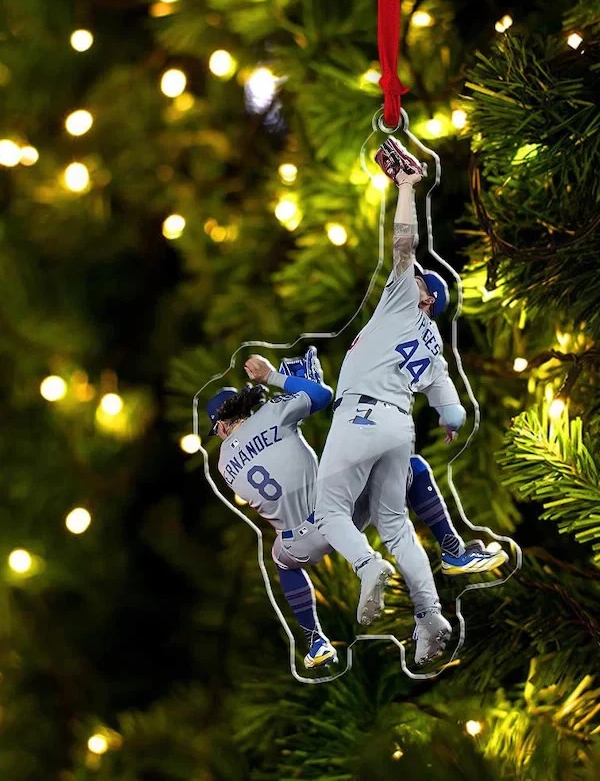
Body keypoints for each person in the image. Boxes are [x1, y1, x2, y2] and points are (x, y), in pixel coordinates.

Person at [207, 347, 507, 669]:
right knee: (413, 468)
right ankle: (452, 550)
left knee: (282, 562)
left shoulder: (224, 465)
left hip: (299, 540)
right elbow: (322, 396)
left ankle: (315, 641)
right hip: (337, 511)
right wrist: (281, 379)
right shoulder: (270, 413)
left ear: (222, 427)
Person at [311, 137, 480, 665]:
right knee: (396, 525)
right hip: (398, 430)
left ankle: (366, 567)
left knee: (329, 507)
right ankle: (430, 619)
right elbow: (449, 404)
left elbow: (404, 245)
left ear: (425, 296)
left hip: (361, 413)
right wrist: (451, 421)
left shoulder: (406, 297)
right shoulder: (433, 345)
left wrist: (406, 188)